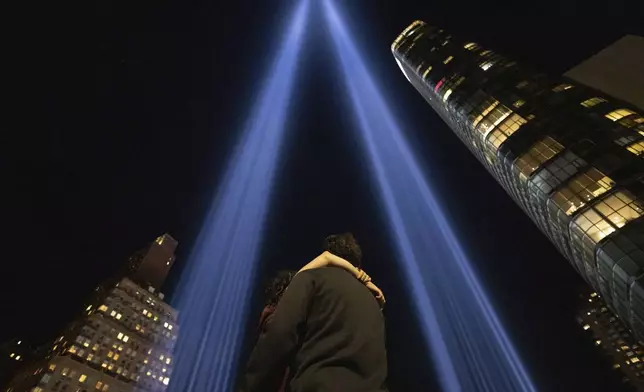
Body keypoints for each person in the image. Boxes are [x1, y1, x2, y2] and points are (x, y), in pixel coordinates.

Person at [242, 233, 388, 392]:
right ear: (357, 265)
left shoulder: (311, 279)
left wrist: (253, 385)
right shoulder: (374, 302)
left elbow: (279, 333)